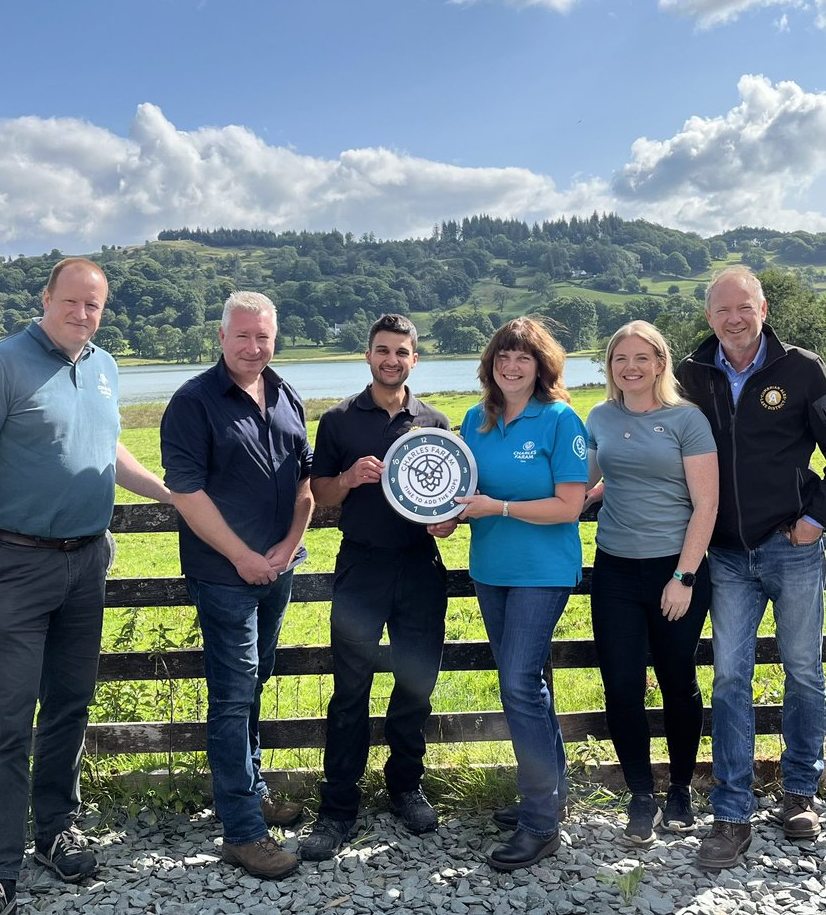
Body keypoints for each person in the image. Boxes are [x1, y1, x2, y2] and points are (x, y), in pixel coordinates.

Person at [0, 257, 172, 915]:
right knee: (8, 721)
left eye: (93, 306)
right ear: (46, 298)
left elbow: (107, 450)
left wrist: (166, 491)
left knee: (70, 708)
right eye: (70, 301)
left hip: (85, 563)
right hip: (13, 564)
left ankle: (54, 833)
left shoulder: (102, 367)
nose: (81, 314)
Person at [677, 266, 826, 870]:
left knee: (804, 667)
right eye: (722, 310)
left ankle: (799, 791)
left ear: (763, 308)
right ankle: (732, 813)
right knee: (730, 677)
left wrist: (817, 521)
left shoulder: (801, 369)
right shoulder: (690, 375)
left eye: (744, 307)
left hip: (792, 546)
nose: (734, 319)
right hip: (727, 553)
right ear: (710, 317)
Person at [160, 291, 314, 881]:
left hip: (277, 566)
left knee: (257, 680)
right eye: (243, 336)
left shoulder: (285, 393)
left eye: (264, 337)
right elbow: (188, 495)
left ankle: (246, 793)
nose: (254, 347)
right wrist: (244, 556)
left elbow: (304, 482)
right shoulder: (193, 403)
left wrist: (283, 547)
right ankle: (244, 833)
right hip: (225, 575)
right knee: (231, 695)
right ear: (221, 337)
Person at [299, 314, 458, 860]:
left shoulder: (435, 421)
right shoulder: (340, 420)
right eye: (382, 350)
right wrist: (347, 479)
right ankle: (338, 806)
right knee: (349, 691)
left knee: (416, 685)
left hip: (420, 566)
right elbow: (320, 492)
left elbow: (451, 499)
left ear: (415, 359)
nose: (391, 359)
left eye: (402, 352)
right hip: (361, 567)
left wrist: (448, 522)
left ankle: (404, 788)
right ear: (367, 355)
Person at [455, 316, 589, 871]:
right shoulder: (474, 419)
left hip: (543, 570)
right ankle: (549, 794)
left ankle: (540, 822)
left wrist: (498, 508)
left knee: (517, 683)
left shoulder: (560, 420)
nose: (511, 366)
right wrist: (444, 517)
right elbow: (462, 492)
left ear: (542, 366)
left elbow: (570, 506)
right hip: (490, 566)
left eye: (524, 358)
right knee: (528, 684)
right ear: (491, 364)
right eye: (503, 357)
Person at [585, 321, 718, 846]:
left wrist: (683, 576)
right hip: (615, 567)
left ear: (661, 363)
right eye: (621, 358)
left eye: (642, 358)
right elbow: (588, 484)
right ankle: (641, 795)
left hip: (676, 569)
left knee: (676, 679)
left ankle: (681, 789)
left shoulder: (687, 420)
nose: (631, 368)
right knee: (620, 685)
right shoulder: (599, 416)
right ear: (611, 366)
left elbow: (706, 504)